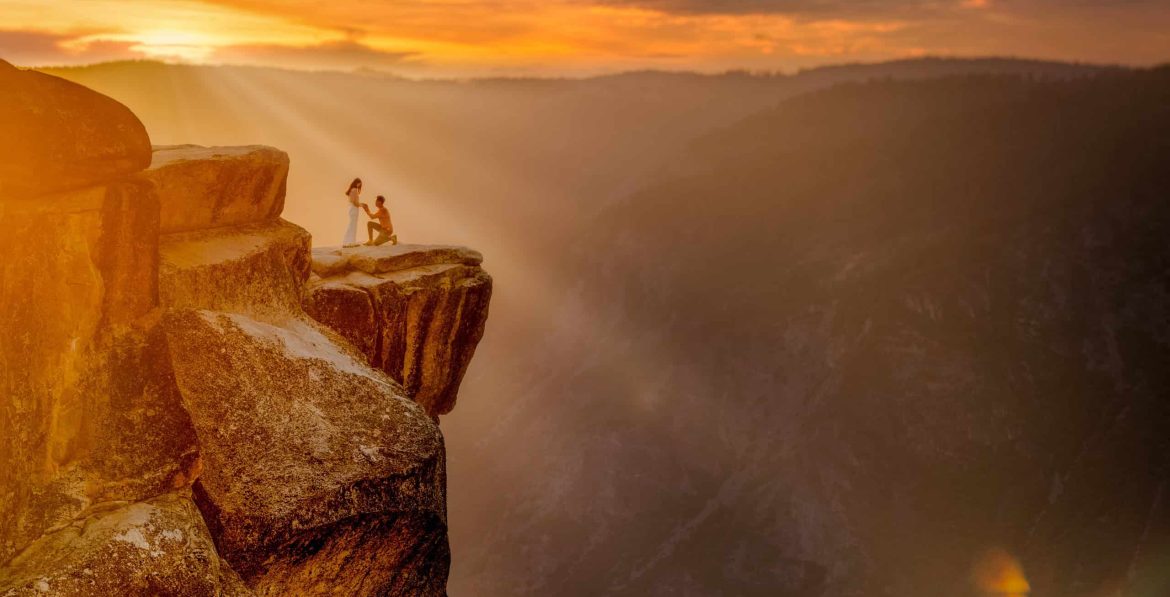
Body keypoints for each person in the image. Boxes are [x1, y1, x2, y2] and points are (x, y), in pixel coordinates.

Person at [342, 178, 362, 247]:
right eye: (359, 183)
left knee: (352, 225)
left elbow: (353, 201)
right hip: (354, 208)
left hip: (351, 208)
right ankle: (349, 242)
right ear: (357, 183)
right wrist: (362, 205)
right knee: (353, 226)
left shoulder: (351, 190)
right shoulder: (354, 190)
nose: (360, 185)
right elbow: (355, 202)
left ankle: (350, 242)